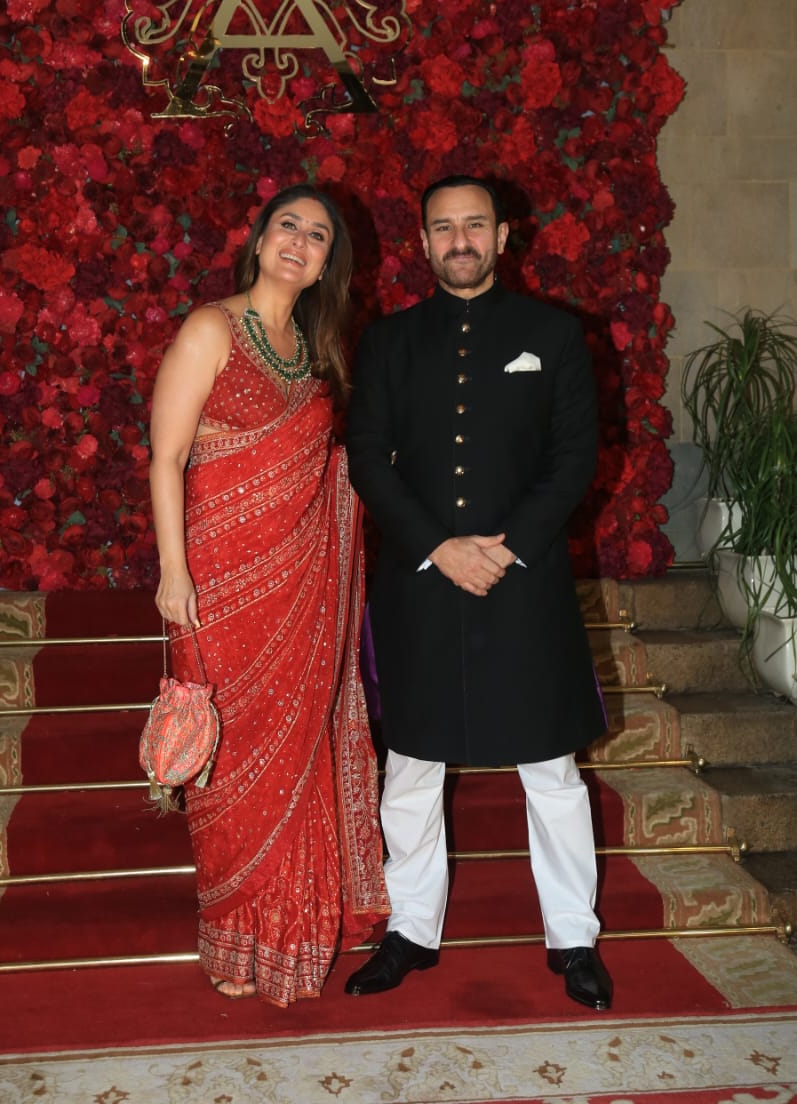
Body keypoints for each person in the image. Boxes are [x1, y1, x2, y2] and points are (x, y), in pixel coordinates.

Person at [344, 175, 612, 1010]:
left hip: (522, 580)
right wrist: (437, 547)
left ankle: (573, 938)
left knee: (550, 767)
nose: (458, 240)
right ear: (422, 242)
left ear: (502, 237)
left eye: (473, 225)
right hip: (420, 583)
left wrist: (506, 549)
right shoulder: (387, 342)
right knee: (410, 767)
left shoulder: (553, 335)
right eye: (442, 227)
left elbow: (573, 458)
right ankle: (410, 931)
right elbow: (367, 458)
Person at [149, 183, 388, 1007]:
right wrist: (173, 570)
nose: (299, 241)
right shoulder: (210, 329)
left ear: (327, 263)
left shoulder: (317, 350)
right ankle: (229, 929)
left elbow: (326, 466)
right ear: (258, 241)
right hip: (216, 582)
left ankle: (286, 935)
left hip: (299, 587)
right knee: (228, 767)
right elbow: (166, 457)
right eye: (287, 225)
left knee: (294, 757)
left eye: (317, 235)